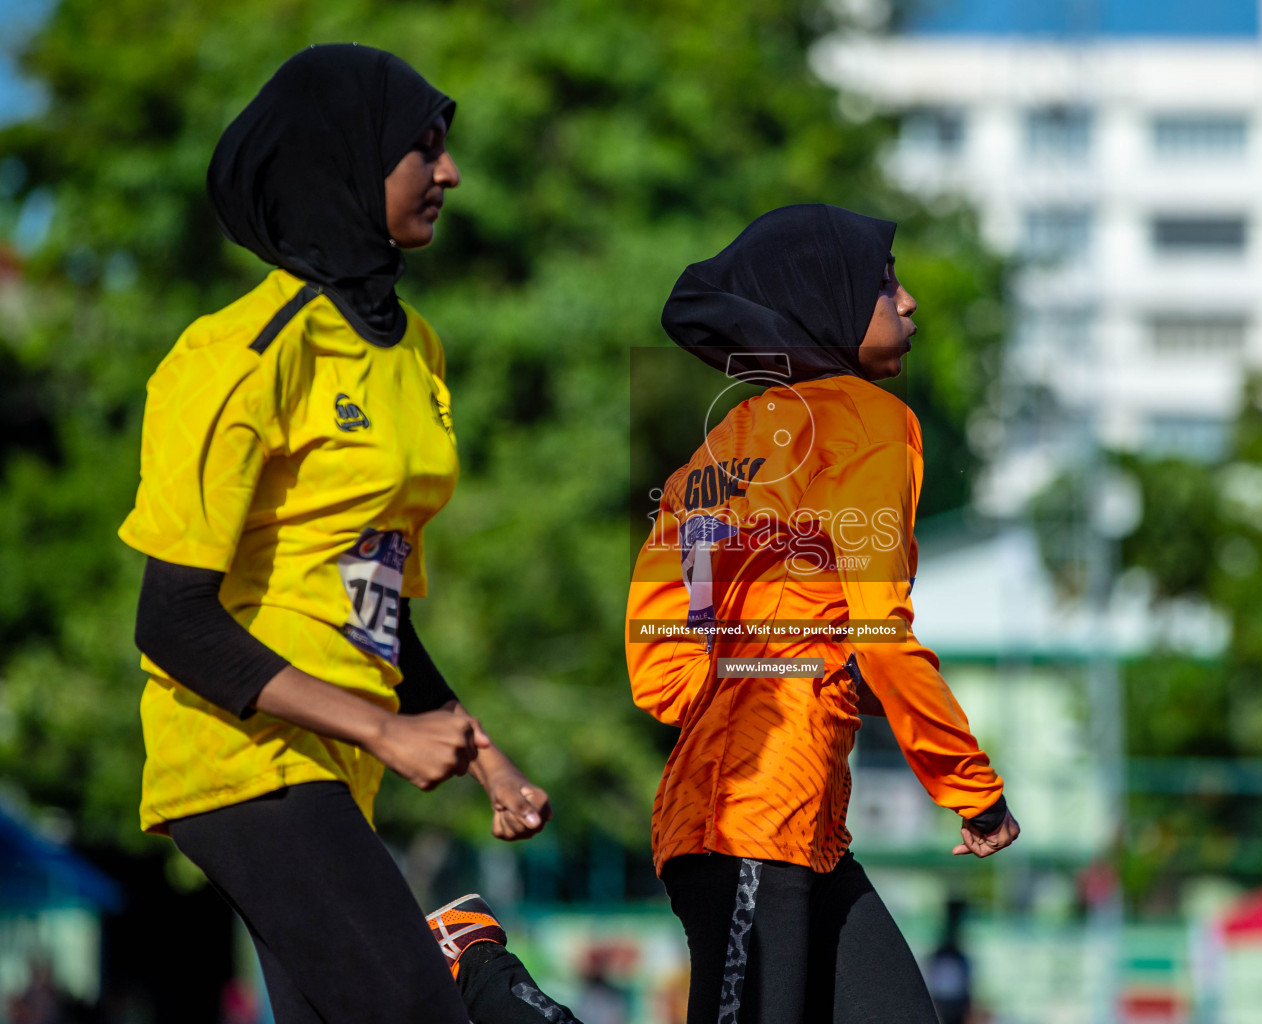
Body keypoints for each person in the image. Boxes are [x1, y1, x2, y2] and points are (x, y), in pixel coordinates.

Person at [120, 44, 578, 1024]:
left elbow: (382, 605)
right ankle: (460, 961)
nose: (449, 173)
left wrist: (481, 750)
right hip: (241, 754)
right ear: (344, 162)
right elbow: (171, 621)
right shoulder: (243, 353)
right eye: (422, 150)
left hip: (339, 763)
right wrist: (384, 727)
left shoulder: (416, 349)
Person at [626, 204, 1021, 1024]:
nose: (908, 302)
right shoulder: (870, 422)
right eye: (883, 285)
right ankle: (480, 966)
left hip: (778, 818)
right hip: (749, 822)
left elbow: (660, 666)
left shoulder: (730, 440)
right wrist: (973, 790)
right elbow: (882, 635)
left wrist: (796, 673)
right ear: (826, 302)